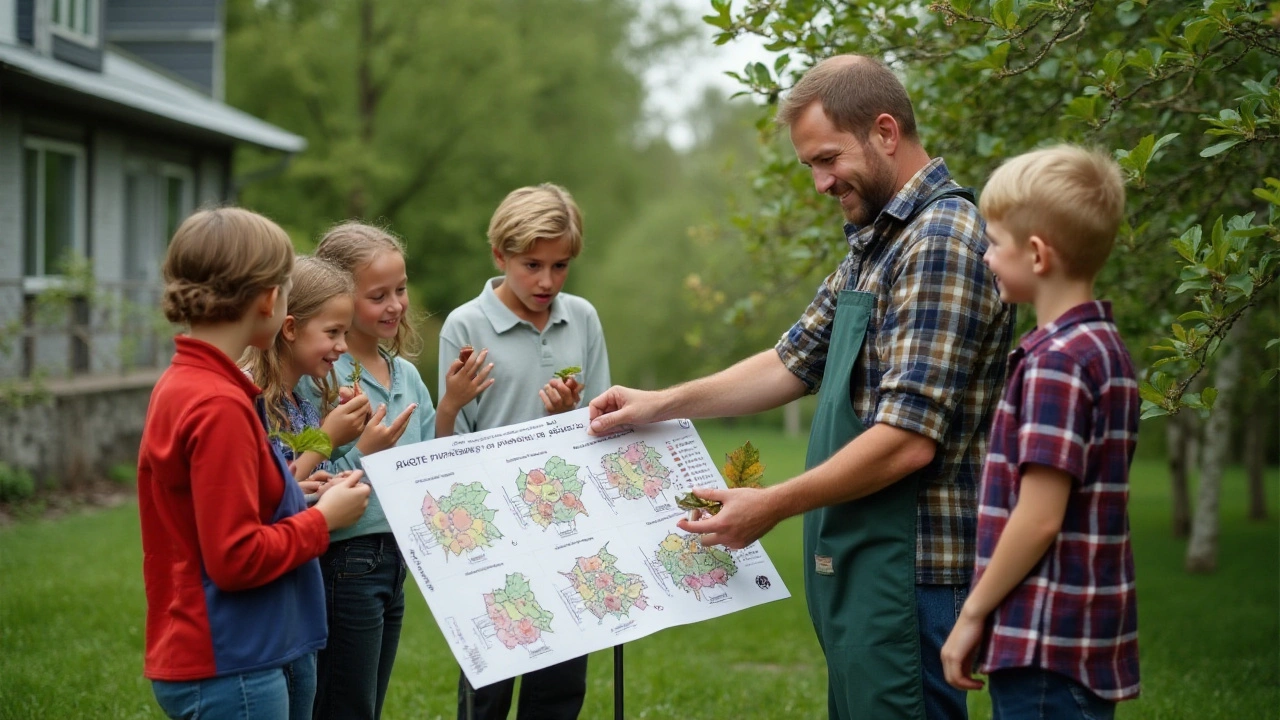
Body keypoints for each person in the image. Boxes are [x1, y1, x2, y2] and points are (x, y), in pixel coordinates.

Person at [588, 54, 1014, 719]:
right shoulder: (875, 244)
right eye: (810, 165)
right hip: (864, 564)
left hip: (914, 573)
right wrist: (659, 403)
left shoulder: (938, 241)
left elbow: (907, 442)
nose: (820, 183)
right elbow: (791, 360)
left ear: (885, 131)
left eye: (827, 159)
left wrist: (771, 504)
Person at [138, 208, 371, 720]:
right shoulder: (218, 405)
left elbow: (217, 514)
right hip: (234, 659)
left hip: (234, 649)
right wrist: (324, 519)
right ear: (269, 299)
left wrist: (297, 495)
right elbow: (235, 557)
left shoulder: (186, 384)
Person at [940, 145, 1140, 718]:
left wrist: (973, 613)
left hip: (1045, 644)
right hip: (1077, 639)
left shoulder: (1059, 362)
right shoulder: (1104, 348)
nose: (985, 256)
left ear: (1036, 254)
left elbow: (1040, 515)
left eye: (994, 243)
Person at [301, 222, 490, 720]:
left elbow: (432, 466)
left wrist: (449, 405)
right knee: (345, 703)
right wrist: (367, 453)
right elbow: (310, 474)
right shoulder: (323, 373)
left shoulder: (403, 374)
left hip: (395, 557)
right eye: (377, 295)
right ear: (340, 298)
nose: (395, 305)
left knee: (368, 700)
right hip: (345, 557)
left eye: (401, 290)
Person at [441, 183, 610, 720]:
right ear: (500, 255)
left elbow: (603, 423)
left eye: (561, 266)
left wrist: (569, 420)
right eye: (532, 264)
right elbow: (447, 448)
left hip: (564, 523)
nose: (547, 281)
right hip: (489, 528)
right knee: (488, 686)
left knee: (560, 684)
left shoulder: (581, 317)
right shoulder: (465, 325)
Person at [244, 255, 371, 487]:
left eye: (345, 334)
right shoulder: (247, 397)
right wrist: (327, 438)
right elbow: (259, 493)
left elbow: (299, 485)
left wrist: (328, 484)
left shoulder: (304, 408)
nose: (343, 346)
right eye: (332, 332)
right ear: (291, 328)